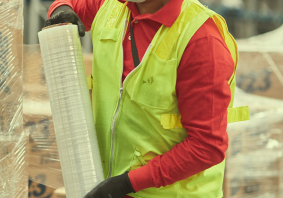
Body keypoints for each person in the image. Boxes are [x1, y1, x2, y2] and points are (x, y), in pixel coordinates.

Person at [44, 0, 249, 197]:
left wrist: (127, 183)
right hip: (107, 188)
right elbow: (69, 4)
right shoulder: (112, 5)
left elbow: (206, 147)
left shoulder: (201, 40)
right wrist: (60, 10)